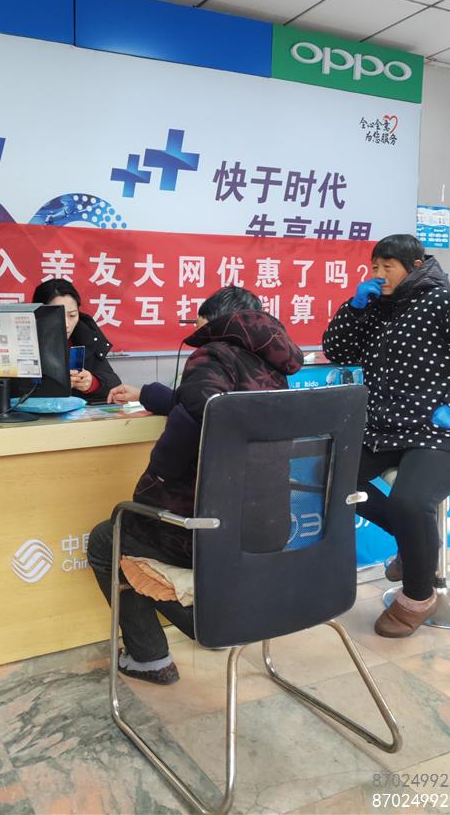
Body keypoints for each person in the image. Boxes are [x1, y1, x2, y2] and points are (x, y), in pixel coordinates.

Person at [87, 286, 304, 684]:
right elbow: (213, 408)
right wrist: (153, 396)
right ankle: (227, 613)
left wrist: (157, 475)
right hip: (265, 528)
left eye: (200, 323)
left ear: (216, 323)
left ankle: (162, 651)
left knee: (107, 538)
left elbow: (181, 447)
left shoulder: (211, 354)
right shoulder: (272, 365)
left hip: (208, 531)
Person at [323, 234, 450, 638]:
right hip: (389, 427)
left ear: (414, 267)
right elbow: (338, 351)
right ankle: (415, 548)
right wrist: (354, 308)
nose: (378, 274)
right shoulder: (379, 310)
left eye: (387, 266)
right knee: (333, 477)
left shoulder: (449, 303)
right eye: (374, 267)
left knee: (411, 500)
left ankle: (417, 596)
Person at [32, 278, 121, 402]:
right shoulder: (23, 341)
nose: (66, 324)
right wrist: (52, 385)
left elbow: (115, 385)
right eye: (57, 316)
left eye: (72, 315)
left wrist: (92, 383)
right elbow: (11, 388)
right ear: (39, 315)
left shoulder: (85, 337)